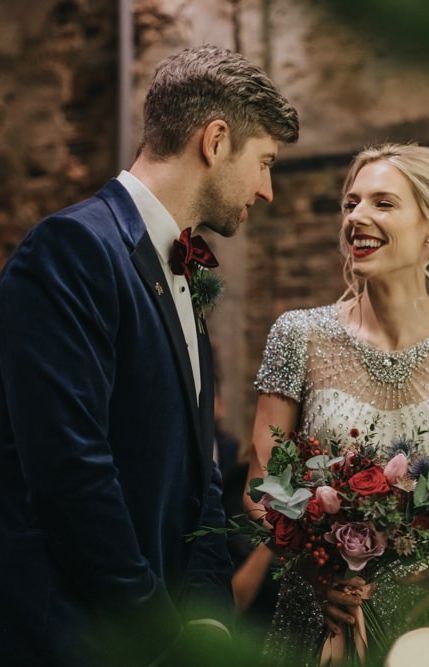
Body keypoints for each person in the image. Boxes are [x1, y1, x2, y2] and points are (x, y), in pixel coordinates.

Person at [0, 45, 298, 667]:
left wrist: (210, 616)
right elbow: (71, 473)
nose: (267, 191)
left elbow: (201, 475)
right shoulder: (74, 249)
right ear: (215, 141)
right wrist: (162, 632)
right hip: (84, 637)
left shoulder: (183, 268)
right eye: (264, 163)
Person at [246, 143, 429, 666]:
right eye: (350, 204)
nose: (357, 218)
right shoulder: (298, 334)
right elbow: (262, 487)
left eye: (383, 203)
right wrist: (314, 570)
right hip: (322, 616)